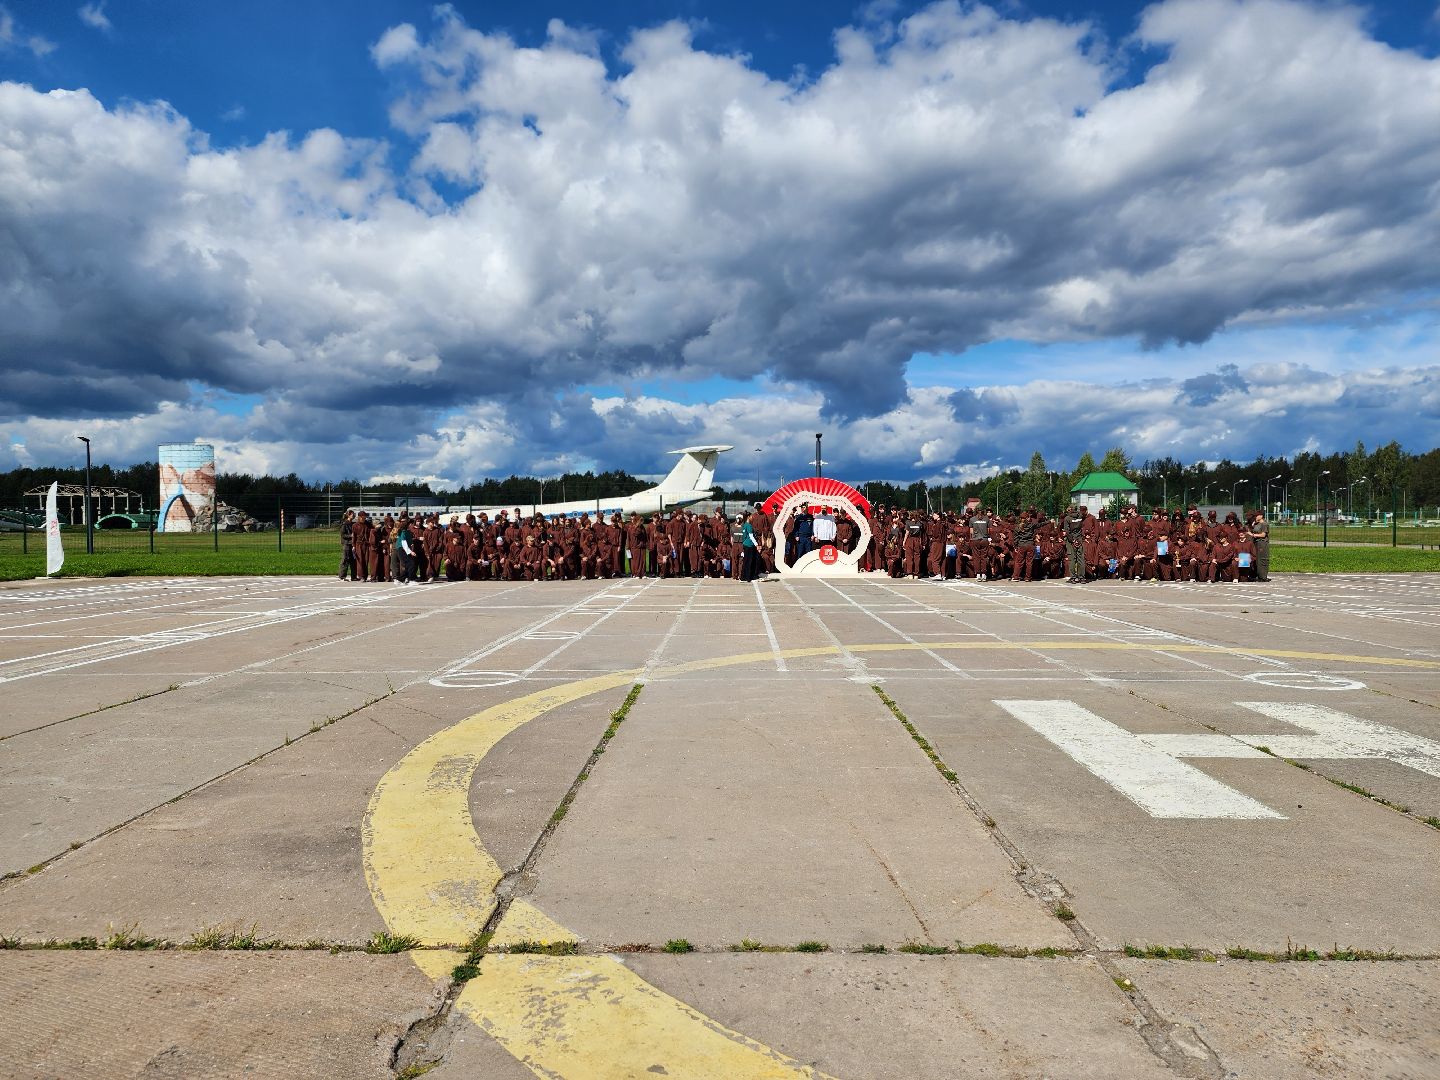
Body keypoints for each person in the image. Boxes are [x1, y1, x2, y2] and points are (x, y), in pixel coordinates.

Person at [1062, 504, 1087, 583]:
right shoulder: (1080, 516)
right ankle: (1082, 577)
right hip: (1079, 539)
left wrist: (1072, 540)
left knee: (1072, 559)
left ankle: (1073, 577)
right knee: (1081, 559)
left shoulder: (1067, 518)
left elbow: (1067, 531)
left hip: (1071, 540)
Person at [1248, 511, 1271, 582]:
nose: (1255, 517)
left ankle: (1263, 576)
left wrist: (1253, 535)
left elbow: (1263, 535)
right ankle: (1257, 575)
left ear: (1261, 516)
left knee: (1262, 559)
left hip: (1262, 543)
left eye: (1256, 516)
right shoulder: (1257, 524)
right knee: (1256, 559)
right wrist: (1253, 525)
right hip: (1256, 543)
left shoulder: (1264, 524)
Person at [739, 513, 760, 582]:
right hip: (749, 545)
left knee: (745, 561)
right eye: (751, 516)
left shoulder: (744, 525)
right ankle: (748, 577)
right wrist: (756, 544)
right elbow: (751, 536)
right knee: (750, 561)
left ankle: (743, 577)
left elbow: (744, 536)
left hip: (745, 544)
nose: (752, 517)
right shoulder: (749, 526)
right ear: (748, 517)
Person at [339, 509, 357, 580]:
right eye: (352, 514)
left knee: (353, 560)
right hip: (346, 544)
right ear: (348, 515)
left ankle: (354, 576)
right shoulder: (345, 524)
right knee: (345, 560)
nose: (354, 515)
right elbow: (343, 535)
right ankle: (342, 576)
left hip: (352, 544)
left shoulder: (352, 523)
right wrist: (351, 536)